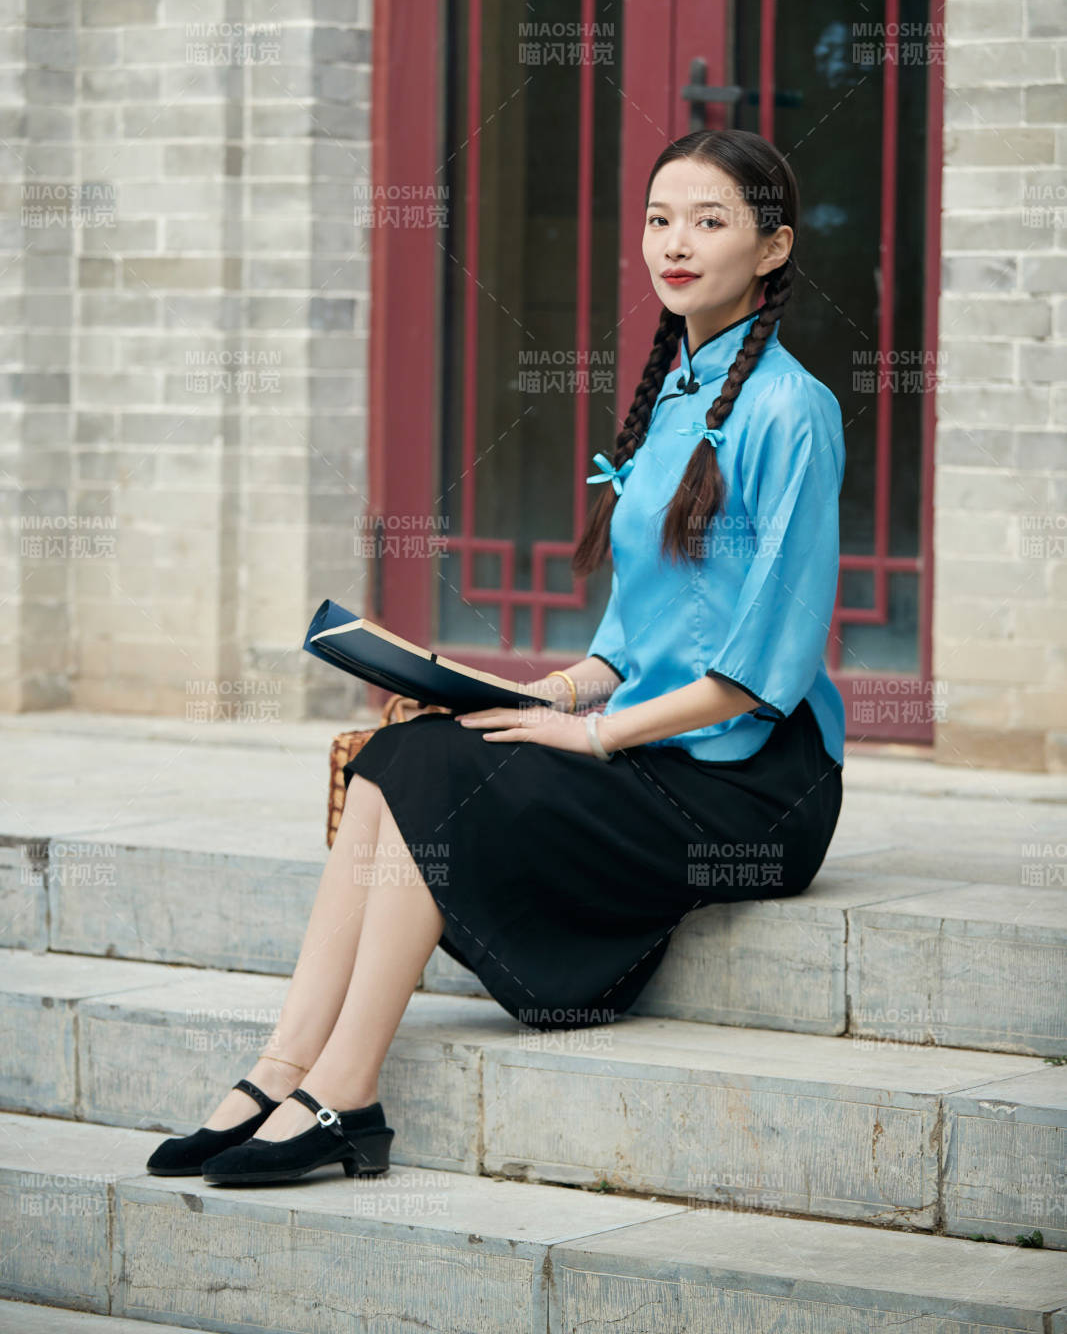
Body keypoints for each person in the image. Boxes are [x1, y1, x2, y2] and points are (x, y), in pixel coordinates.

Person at [146, 127, 846, 1188]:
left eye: (709, 221)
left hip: (753, 783)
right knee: (413, 743)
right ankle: (286, 1065)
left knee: (437, 775)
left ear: (771, 247)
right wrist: (528, 695)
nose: (674, 242)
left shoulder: (796, 411)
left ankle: (345, 1091)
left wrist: (593, 734)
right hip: (656, 745)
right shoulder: (671, 391)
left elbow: (761, 672)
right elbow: (630, 641)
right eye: (658, 218)